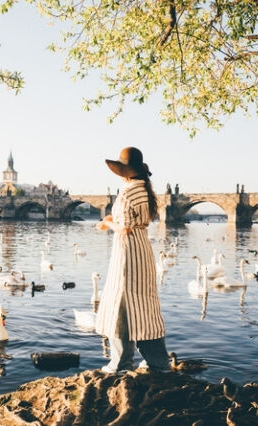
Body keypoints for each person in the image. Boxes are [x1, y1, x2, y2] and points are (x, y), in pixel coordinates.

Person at [95, 147, 170, 373]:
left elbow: (125, 228)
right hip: (142, 250)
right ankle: (158, 362)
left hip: (128, 253)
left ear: (125, 172)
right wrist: (112, 218)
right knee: (144, 306)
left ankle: (120, 363)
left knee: (122, 303)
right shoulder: (145, 191)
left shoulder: (128, 192)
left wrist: (107, 222)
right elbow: (135, 222)